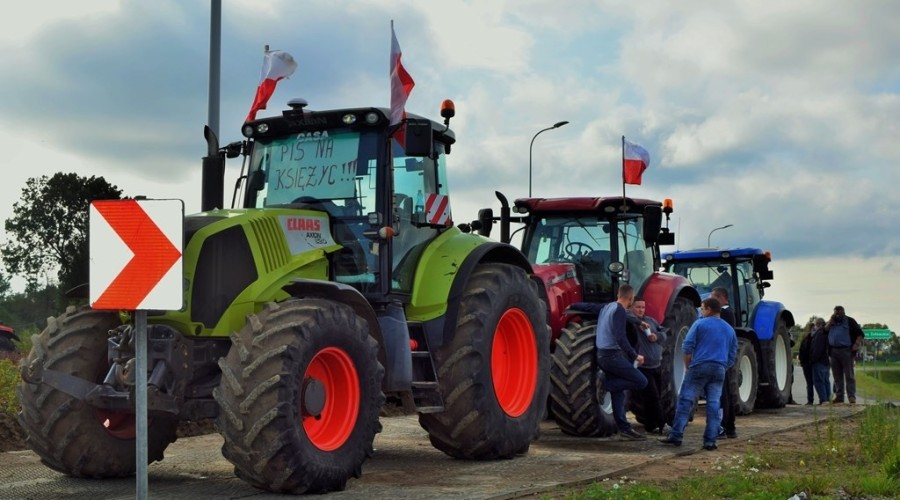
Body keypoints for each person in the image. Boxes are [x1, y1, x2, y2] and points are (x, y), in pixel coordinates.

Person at [659, 297, 737, 451]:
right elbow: (732, 355)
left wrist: (688, 366)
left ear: (708, 309)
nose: (701, 311)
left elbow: (687, 347)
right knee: (714, 404)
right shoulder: (729, 329)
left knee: (685, 400)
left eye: (702, 308)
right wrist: (723, 367)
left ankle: (676, 435)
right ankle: (710, 441)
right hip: (719, 369)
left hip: (699, 366)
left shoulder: (699, 324)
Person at [595, 284, 648, 440]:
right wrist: (634, 355)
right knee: (641, 381)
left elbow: (591, 307)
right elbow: (620, 336)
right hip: (612, 356)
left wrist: (575, 305)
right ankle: (605, 384)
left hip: (602, 355)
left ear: (618, 294)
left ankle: (624, 428)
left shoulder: (607, 307)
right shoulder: (618, 310)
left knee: (618, 393)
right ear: (631, 298)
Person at [626, 297, 668, 435]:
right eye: (638, 307)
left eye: (643, 307)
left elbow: (664, 333)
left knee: (655, 397)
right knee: (652, 396)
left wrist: (657, 336)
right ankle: (663, 425)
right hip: (643, 367)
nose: (641, 310)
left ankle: (650, 425)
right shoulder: (631, 323)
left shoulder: (651, 321)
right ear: (631, 308)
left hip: (656, 365)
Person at [710, 287, 737, 439]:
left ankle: (723, 425)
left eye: (713, 297)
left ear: (720, 298)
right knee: (725, 393)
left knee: (722, 394)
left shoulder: (725, 314)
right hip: (724, 358)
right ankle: (730, 426)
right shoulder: (728, 313)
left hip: (721, 358)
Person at [823, 305, 864, 404]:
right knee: (837, 376)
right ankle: (839, 397)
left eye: (840, 313)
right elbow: (824, 331)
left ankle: (851, 396)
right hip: (833, 351)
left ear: (844, 313)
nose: (838, 315)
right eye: (836, 313)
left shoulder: (850, 321)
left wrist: (857, 344)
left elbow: (860, 334)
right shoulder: (831, 322)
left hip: (846, 350)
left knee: (849, 375)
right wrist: (830, 322)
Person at [808, 317, 831, 404]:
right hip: (826, 361)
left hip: (819, 361)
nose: (814, 327)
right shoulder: (826, 333)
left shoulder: (819, 334)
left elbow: (817, 348)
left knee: (819, 381)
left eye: (815, 325)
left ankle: (823, 400)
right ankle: (828, 399)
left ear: (819, 324)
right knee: (826, 381)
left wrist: (813, 359)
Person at [798, 323, 815, 405]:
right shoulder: (805, 340)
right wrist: (802, 361)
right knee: (809, 383)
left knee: (818, 382)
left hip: (814, 363)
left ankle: (824, 399)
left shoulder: (817, 339)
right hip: (806, 364)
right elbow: (801, 351)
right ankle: (810, 400)